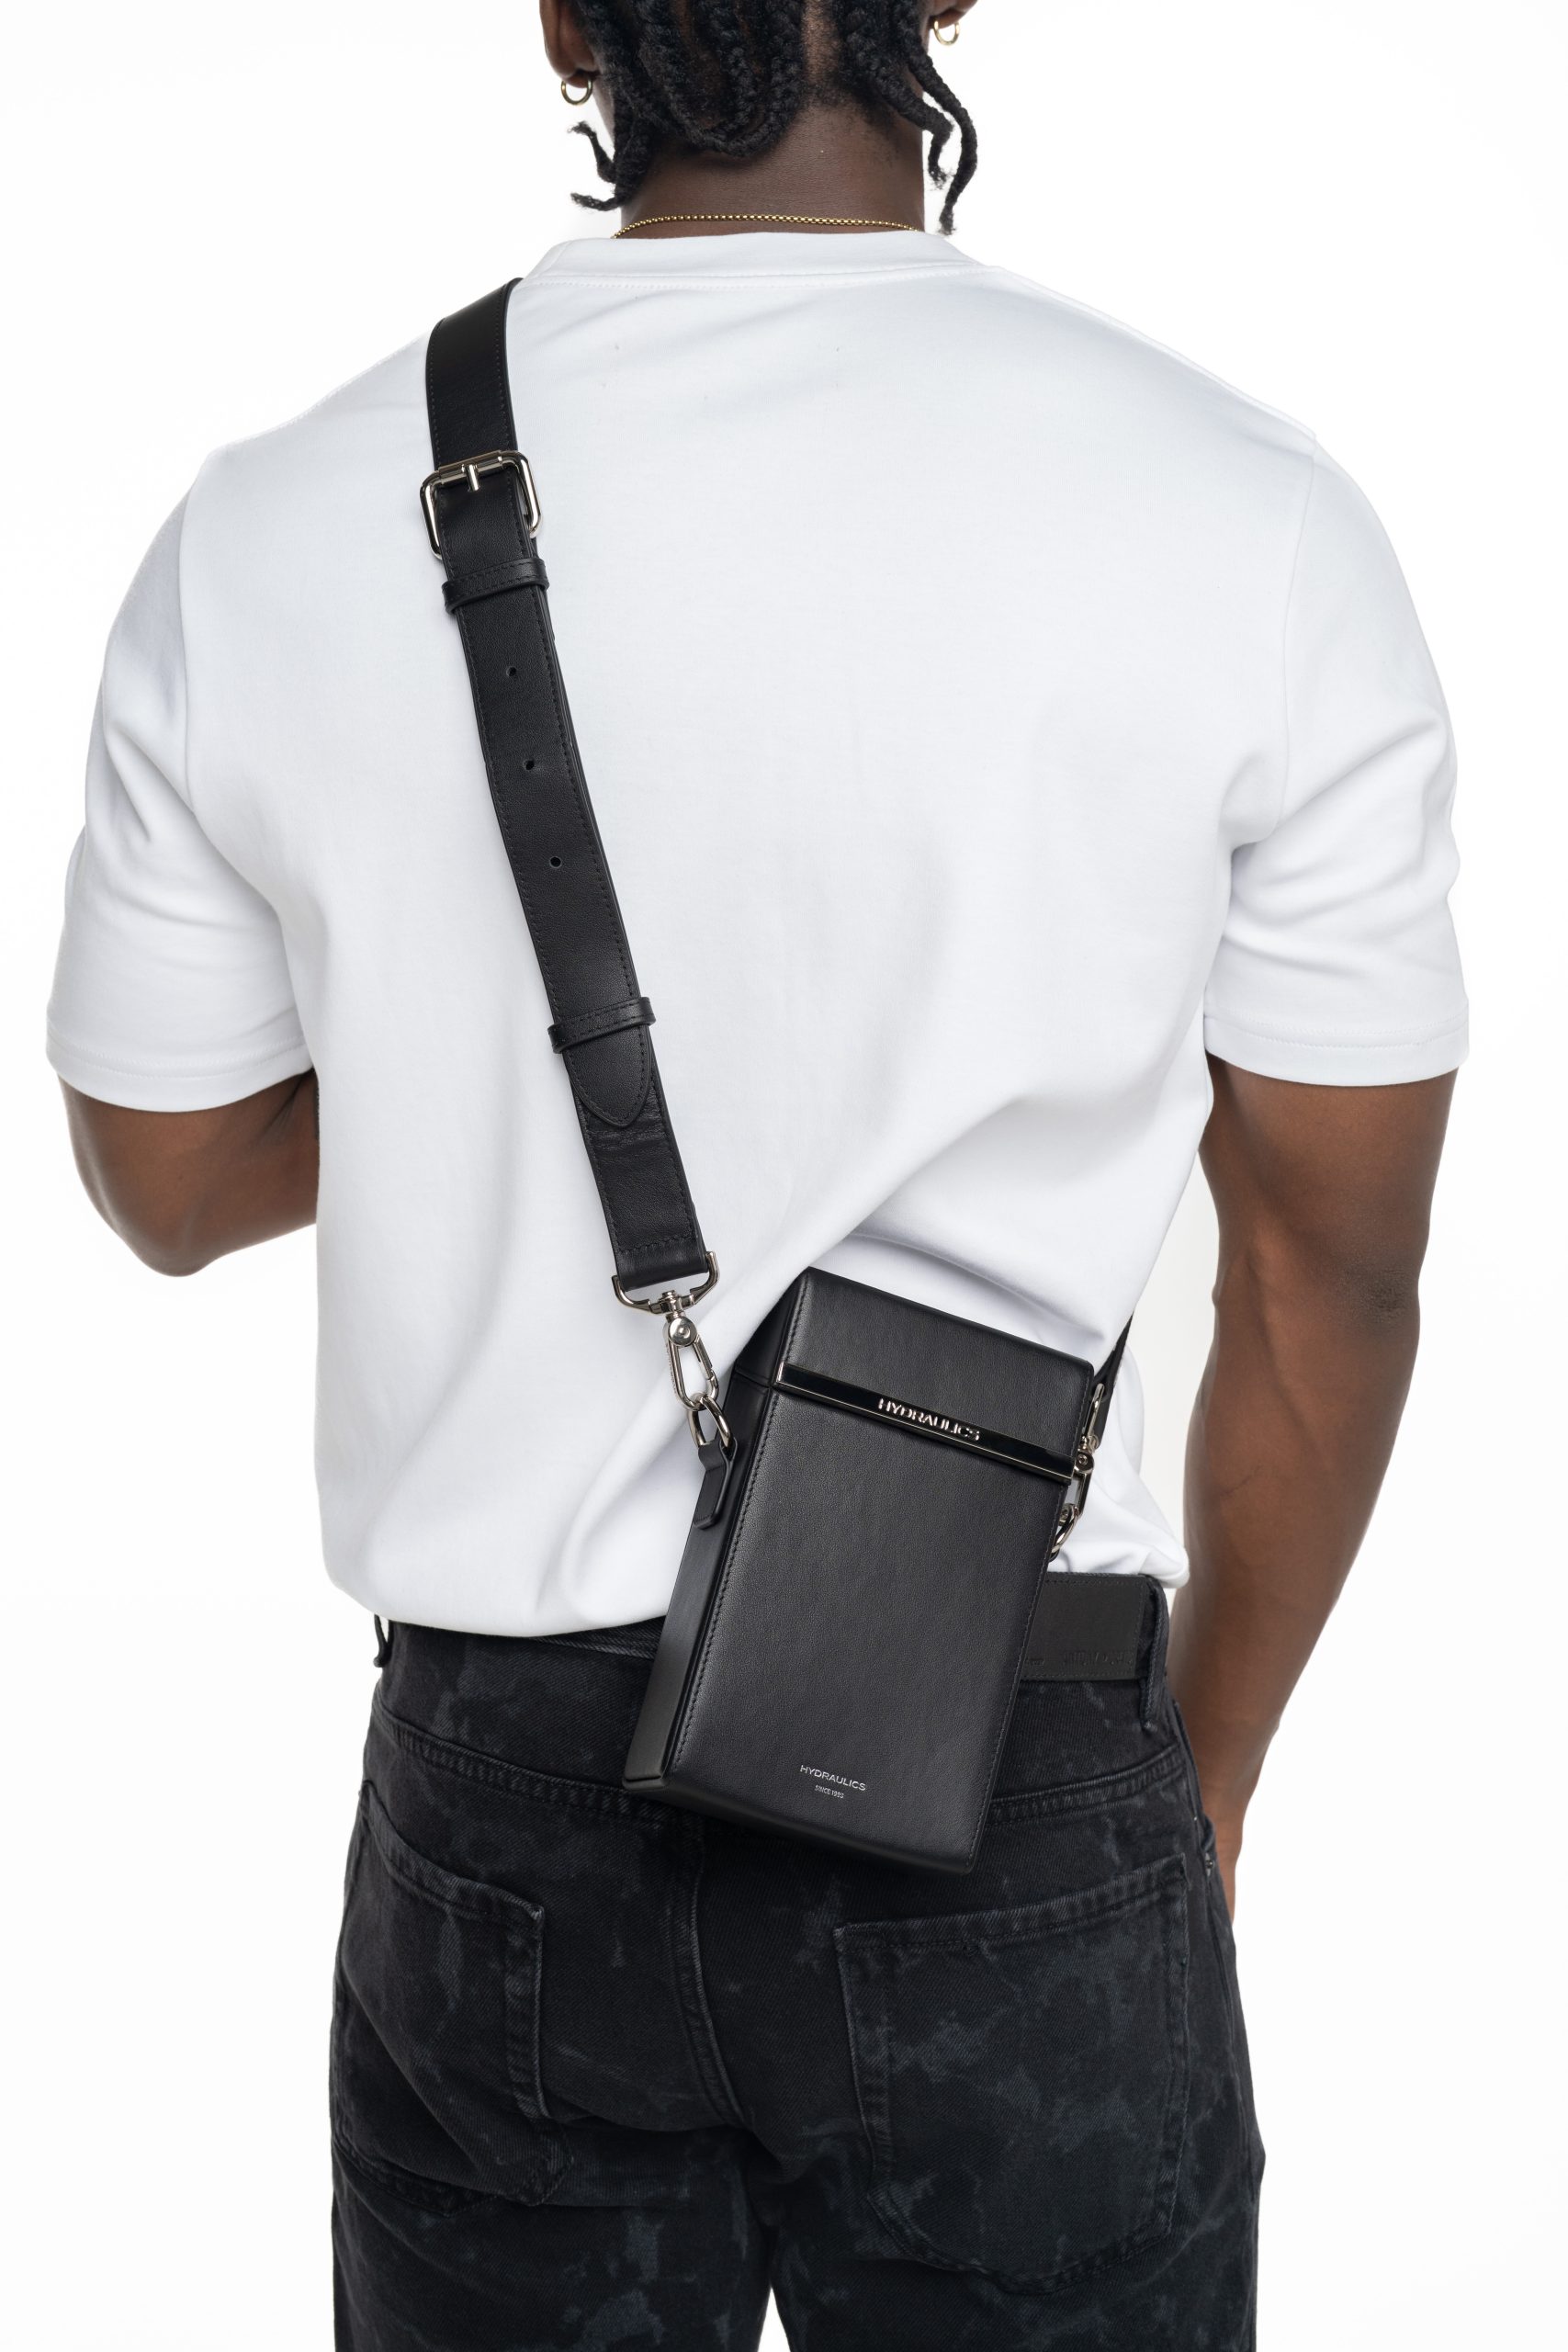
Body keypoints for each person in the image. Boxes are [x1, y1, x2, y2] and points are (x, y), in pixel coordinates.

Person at [48, 3, 1463, 2345]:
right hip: (1012, 1751)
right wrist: (1188, 1780)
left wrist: (459, 1073)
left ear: (562, 18)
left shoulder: (275, 521)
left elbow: (169, 1174)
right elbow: (1332, 1266)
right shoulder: (1244, 516)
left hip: (503, 1821)